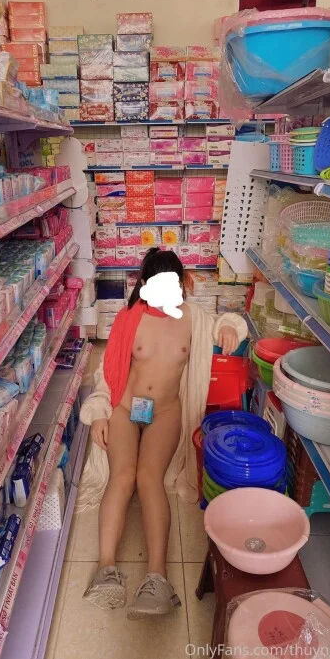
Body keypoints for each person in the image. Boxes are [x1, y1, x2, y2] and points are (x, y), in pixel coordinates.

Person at [78, 248, 248, 619]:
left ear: (183, 283)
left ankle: (158, 577)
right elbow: (108, 372)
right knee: (123, 476)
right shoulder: (129, 318)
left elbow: (226, 322)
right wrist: (99, 412)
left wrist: (231, 328)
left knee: (148, 478)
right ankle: (105, 568)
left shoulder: (193, 317)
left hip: (166, 412)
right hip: (126, 408)